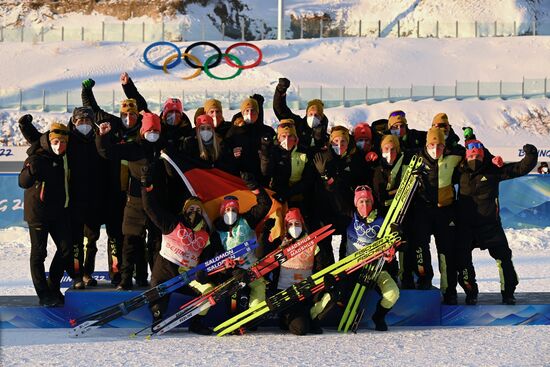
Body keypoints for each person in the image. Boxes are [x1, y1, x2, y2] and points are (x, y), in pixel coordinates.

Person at [456, 140, 538, 305]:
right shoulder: (457, 171)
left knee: (504, 259)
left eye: (478, 154)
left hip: (490, 225)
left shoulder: (493, 170)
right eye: (471, 154)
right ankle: (470, 292)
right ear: (465, 155)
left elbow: (519, 169)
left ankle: (508, 293)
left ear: (484, 154)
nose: (474, 156)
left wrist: (532, 154)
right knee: (462, 261)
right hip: (465, 226)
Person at [141, 164, 220, 335]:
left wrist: (202, 271)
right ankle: (157, 318)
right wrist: (146, 188)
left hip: (187, 276)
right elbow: (150, 208)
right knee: (158, 304)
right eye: (191, 209)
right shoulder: (172, 223)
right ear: (184, 211)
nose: (194, 212)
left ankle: (197, 322)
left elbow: (206, 258)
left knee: (209, 291)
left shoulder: (205, 235)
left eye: (198, 210)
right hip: (164, 271)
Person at [96, 112, 164, 290]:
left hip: (157, 202)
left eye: (156, 130)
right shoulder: (134, 147)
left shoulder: (164, 148)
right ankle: (126, 278)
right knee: (131, 241)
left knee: (156, 242)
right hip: (135, 202)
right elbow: (106, 152)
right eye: (150, 130)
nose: (153, 133)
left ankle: (155, 279)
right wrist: (103, 136)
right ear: (142, 131)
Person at [18, 121, 77, 306]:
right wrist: (30, 170)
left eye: (63, 142)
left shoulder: (65, 156)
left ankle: (53, 286)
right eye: (56, 142)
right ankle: (44, 294)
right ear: (50, 142)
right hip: (38, 212)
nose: (60, 146)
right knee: (39, 253)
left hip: (58, 211)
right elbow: (23, 182)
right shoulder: (37, 156)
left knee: (66, 248)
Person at [406, 127, 464, 301]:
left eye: (439, 145)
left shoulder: (453, 157)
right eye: (432, 144)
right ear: (426, 143)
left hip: (444, 211)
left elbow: (472, 153)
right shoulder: (414, 157)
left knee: (446, 252)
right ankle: (424, 279)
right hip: (423, 210)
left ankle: (449, 290)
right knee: (420, 249)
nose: (436, 149)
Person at [267, 208, 333, 335]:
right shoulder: (280, 243)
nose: (294, 227)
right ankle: (288, 319)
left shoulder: (312, 243)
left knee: (333, 293)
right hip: (286, 291)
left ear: (302, 224)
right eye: (290, 224)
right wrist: (266, 233)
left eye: (297, 224)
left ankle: (313, 319)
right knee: (301, 329)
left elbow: (321, 265)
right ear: (286, 227)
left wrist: (324, 278)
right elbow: (266, 261)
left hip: (307, 290)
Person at [212, 172, 272, 311]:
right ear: (222, 211)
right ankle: (234, 314)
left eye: (234, 209)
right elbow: (216, 253)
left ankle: (253, 313)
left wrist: (253, 186)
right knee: (234, 290)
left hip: (251, 267)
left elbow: (265, 203)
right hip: (231, 271)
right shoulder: (217, 231)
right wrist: (226, 263)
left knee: (259, 286)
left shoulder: (246, 220)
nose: (231, 212)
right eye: (227, 209)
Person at [345, 185, 400, 331]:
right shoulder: (348, 217)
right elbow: (336, 199)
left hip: (376, 268)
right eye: (361, 202)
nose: (364, 205)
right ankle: (351, 315)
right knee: (346, 294)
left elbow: (397, 241)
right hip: (353, 267)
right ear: (356, 203)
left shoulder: (383, 220)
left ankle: (379, 316)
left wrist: (394, 245)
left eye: (368, 202)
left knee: (392, 292)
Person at [312, 126, 355, 263]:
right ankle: (327, 268)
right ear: (331, 142)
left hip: (345, 207)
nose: (339, 145)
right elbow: (317, 184)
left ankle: (344, 267)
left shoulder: (352, 159)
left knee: (345, 241)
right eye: (336, 141)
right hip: (326, 207)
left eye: (343, 142)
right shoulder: (324, 157)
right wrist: (324, 177)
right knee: (326, 243)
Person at [260, 119, 315, 211]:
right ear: (278, 138)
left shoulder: (304, 152)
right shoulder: (274, 151)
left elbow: (308, 179)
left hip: (297, 192)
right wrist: (265, 155)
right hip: (278, 192)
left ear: (295, 139)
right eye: (283, 136)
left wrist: (289, 193)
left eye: (290, 136)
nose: (287, 140)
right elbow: (266, 173)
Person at [273, 78, 330, 155]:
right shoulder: (298, 123)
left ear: (321, 117)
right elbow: (280, 109)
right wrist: (281, 91)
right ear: (306, 114)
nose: (313, 117)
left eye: (316, 115)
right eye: (311, 114)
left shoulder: (326, 135)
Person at [349, 122, 379, 188]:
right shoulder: (352, 155)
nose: (364, 143)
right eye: (360, 140)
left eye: (367, 140)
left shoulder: (376, 152)